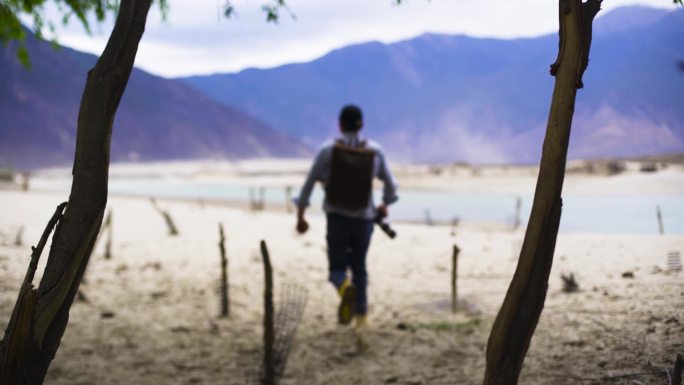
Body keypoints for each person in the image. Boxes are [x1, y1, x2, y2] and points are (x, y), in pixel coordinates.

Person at [294, 104, 398, 328]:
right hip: (365, 219)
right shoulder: (375, 151)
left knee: (337, 269)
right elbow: (392, 186)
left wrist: (301, 216)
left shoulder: (327, 150)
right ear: (362, 125)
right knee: (359, 266)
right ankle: (361, 317)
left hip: (337, 218)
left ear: (339, 125)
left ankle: (344, 287)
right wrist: (384, 204)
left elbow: (309, 184)